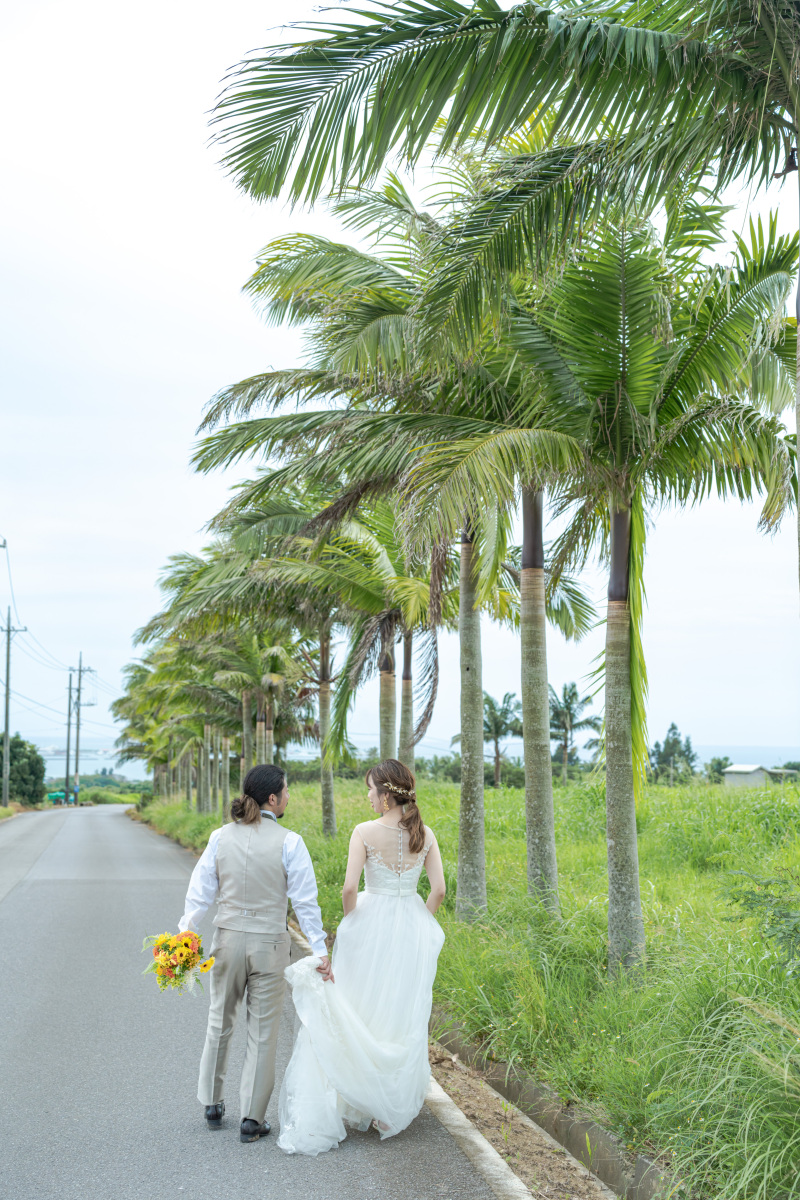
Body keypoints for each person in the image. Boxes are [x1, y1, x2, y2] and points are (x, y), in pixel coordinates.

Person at [277, 758, 446, 1156]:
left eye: (371, 790)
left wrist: (351, 923)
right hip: (411, 924)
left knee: (359, 1006)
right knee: (399, 1011)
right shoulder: (427, 834)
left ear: (386, 795)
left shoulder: (364, 832)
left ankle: (358, 1094)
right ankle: (387, 1108)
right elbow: (437, 891)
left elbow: (349, 889)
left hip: (368, 923)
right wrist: (420, 922)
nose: (367, 796)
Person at [178, 764, 330, 1144]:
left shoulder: (219, 837)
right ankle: (251, 1118)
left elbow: (201, 893)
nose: (290, 795)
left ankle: (212, 1104)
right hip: (269, 944)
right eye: (287, 789)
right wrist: (320, 949)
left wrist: (185, 934)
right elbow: (305, 903)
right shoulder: (290, 842)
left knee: (219, 1020)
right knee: (263, 1033)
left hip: (227, 940)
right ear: (273, 799)